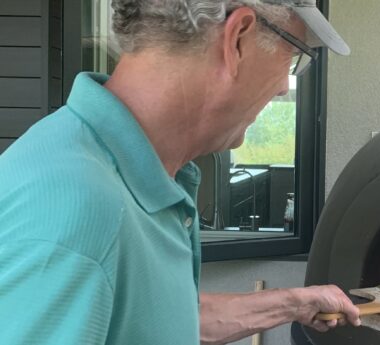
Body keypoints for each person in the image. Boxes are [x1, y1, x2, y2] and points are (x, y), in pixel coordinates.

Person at [0, 0, 360, 344]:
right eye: (292, 53)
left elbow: (155, 319)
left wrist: (293, 303)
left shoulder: (126, 174)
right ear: (238, 38)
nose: (284, 86)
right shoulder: (77, 211)